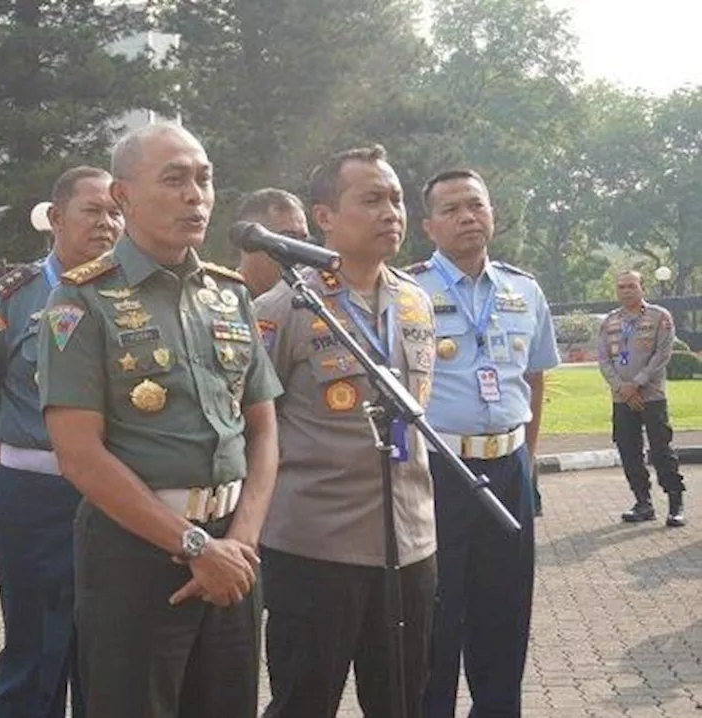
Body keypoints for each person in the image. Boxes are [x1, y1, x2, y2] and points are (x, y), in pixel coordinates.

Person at [39, 122, 282, 718]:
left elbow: (264, 428)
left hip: (233, 552)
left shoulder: (229, 295)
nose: (194, 194)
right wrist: (195, 545)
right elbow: (79, 455)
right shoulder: (81, 300)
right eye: (174, 179)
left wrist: (240, 543)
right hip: (137, 554)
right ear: (122, 197)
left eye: (204, 179)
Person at [253, 144, 437, 717]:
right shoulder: (282, 308)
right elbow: (250, 426)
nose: (392, 212)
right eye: (372, 199)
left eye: (397, 199)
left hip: (409, 542)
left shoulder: (416, 301)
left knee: (402, 702)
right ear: (325, 216)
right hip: (316, 547)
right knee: (304, 702)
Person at [0, 165, 122, 718]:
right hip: (37, 496)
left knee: (111, 658)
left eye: (116, 212)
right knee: (37, 653)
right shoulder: (11, 299)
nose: (108, 224)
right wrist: (12, 459)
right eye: (94, 211)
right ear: (55, 218)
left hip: (119, 497)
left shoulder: (129, 293)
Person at [407, 168, 560, 718]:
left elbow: (535, 377)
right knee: (436, 614)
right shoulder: (407, 291)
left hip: (509, 467)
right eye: (450, 209)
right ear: (428, 225)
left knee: (505, 612)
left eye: (476, 205)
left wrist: (530, 458)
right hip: (439, 468)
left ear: (492, 213)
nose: (467, 217)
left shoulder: (525, 289)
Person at [597, 270, 686, 527]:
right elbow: (603, 360)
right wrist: (622, 388)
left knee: (661, 450)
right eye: (621, 287)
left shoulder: (660, 317)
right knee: (628, 450)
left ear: (642, 288)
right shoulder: (609, 322)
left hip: (652, 396)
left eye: (631, 286)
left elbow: (662, 355)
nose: (626, 291)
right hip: (621, 398)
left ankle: (675, 503)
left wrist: (636, 384)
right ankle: (643, 503)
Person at [235, 187, 311, 297]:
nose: (301, 252)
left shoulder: (308, 301)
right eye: (288, 239)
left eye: (304, 241)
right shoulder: (224, 301)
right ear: (250, 242)